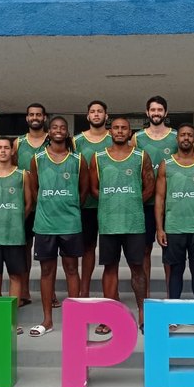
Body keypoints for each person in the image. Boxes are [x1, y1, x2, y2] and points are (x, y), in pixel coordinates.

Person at [91, 117, 155, 335]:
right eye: (116, 128)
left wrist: (132, 202)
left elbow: (149, 187)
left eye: (124, 128)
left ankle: (143, 313)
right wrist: (113, 202)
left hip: (134, 222)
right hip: (109, 223)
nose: (119, 131)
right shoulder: (98, 157)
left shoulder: (141, 156)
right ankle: (109, 317)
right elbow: (94, 189)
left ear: (130, 132)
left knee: (138, 268)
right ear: (110, 132)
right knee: (110, 268)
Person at [28, 117, 89, 336]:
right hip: (45, 224)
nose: (59, 131)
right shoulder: (38, 159)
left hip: (70, 223)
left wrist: (69, 206)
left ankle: (74, 320)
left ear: (67, 133)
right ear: (49, 131)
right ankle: (47, 320)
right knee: (47, 271)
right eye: (55, 127)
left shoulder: (78, 159)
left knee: (72, 269)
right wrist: (48, 205)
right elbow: (34, 189)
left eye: (63, 128)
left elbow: (84, 190)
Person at [155, 123, 194, 333]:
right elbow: (160, 197)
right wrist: (160, 228)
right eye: (182, 135)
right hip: (173, 228)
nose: (186, 138)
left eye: (190, 135)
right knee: (175, 273)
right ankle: (172, 317)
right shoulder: (167, 164)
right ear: (177, 138)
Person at [0, 136, 34, 335]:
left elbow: (28, 204)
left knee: (15, 277)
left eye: (6, 148)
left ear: (12, 151)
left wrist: (15, 219)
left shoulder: (22, 175)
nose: (2, 151)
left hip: (15, 235)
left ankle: (10, 322)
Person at [132, 95, 177, 298]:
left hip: (172, 203)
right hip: (146, 204)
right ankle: (147, 296)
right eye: (153, 110)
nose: (156, 113)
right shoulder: (137, 138)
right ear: (147, 113)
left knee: (170, 252)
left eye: (160, 110)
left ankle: (170, 295)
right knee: (145, 251)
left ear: (165, 113)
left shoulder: (176, 137)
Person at [73, 100, 113, 298]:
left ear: (106, 116)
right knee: (88, 247)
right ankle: (84, 289)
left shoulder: (115, 138)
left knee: (112, 249)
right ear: (88, 116)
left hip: (111, 205)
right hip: (86, 204)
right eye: (92, 112)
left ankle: (112, 293)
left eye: (100, 111)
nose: (96, 114)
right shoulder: (77, 141)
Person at [14, 103, 48, 308]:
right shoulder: (18, 143)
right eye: (31, 114)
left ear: (44, 118)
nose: (35, 117)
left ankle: (49, 293)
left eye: (38, 114)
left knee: (48, 254)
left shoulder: (52, 140)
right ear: (27, 118)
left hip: (48, 204)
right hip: (25, 203)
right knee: (24, 249)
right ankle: (24, 291)